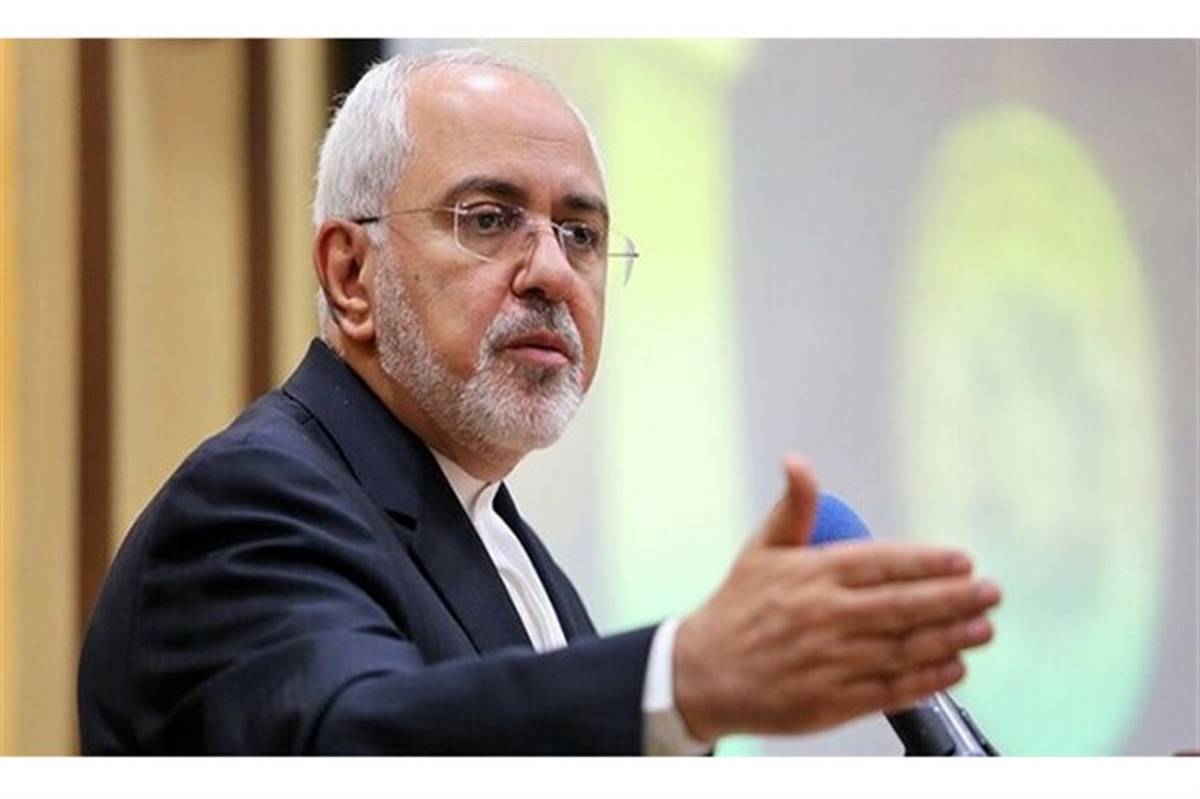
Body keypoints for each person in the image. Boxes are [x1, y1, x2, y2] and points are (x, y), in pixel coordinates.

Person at [77, 49, 1001, 755]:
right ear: (351, 275)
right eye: (488, 219)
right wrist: (683, 677)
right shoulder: (254, 501)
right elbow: (352, 741)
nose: (553, 272)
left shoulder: (504, 536)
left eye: (582, 233)